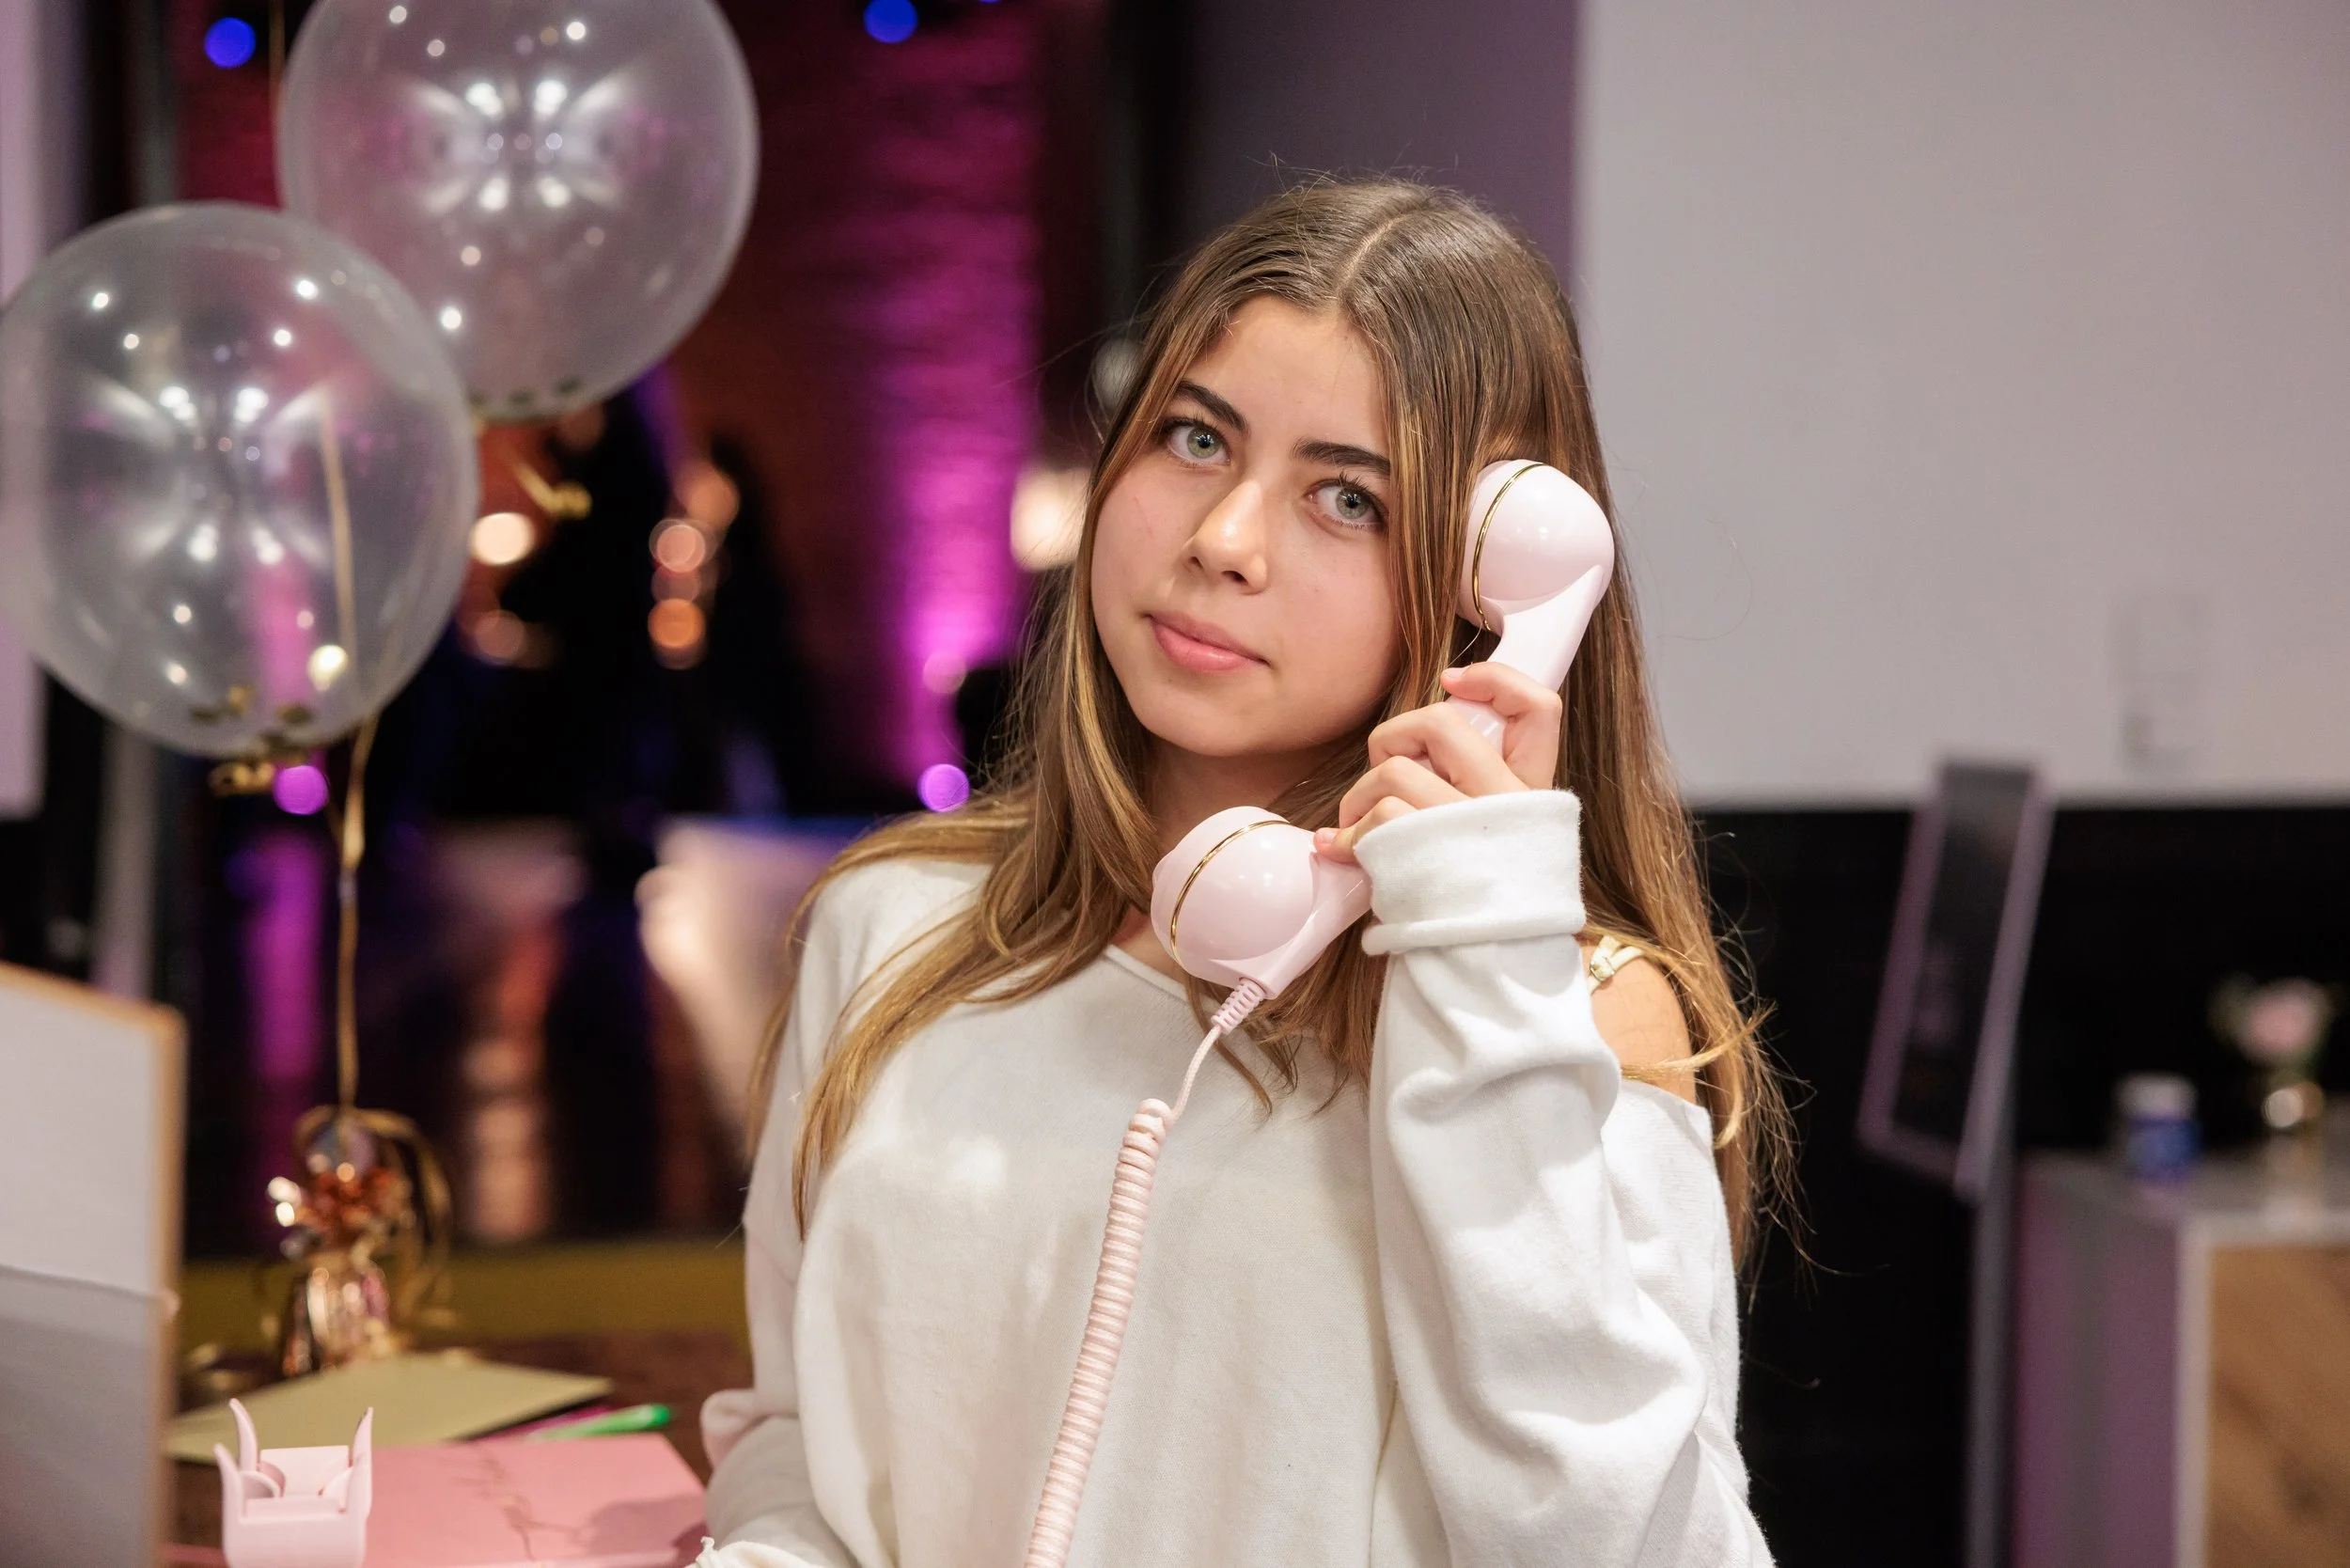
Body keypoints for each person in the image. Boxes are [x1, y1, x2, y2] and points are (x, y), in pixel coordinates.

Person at [697, 179, 1787, 1566]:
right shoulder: (894, 925)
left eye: (1349, 497)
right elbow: (797, 1441)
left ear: (1490, 585)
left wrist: (1482, 948)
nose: (1223, 539)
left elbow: (1624, 1545)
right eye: (1196, 437)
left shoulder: (1574, 1012)